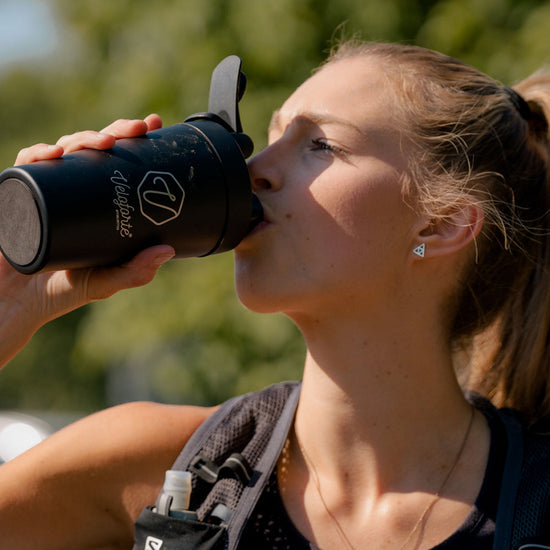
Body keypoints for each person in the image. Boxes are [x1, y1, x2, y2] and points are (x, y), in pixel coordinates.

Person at [0, 41, 549, 549]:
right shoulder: (162, 462)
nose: (255, 169)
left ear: (442, 223)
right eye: (271, 137)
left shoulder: (537, 502)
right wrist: (9, 308)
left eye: (319, 145)